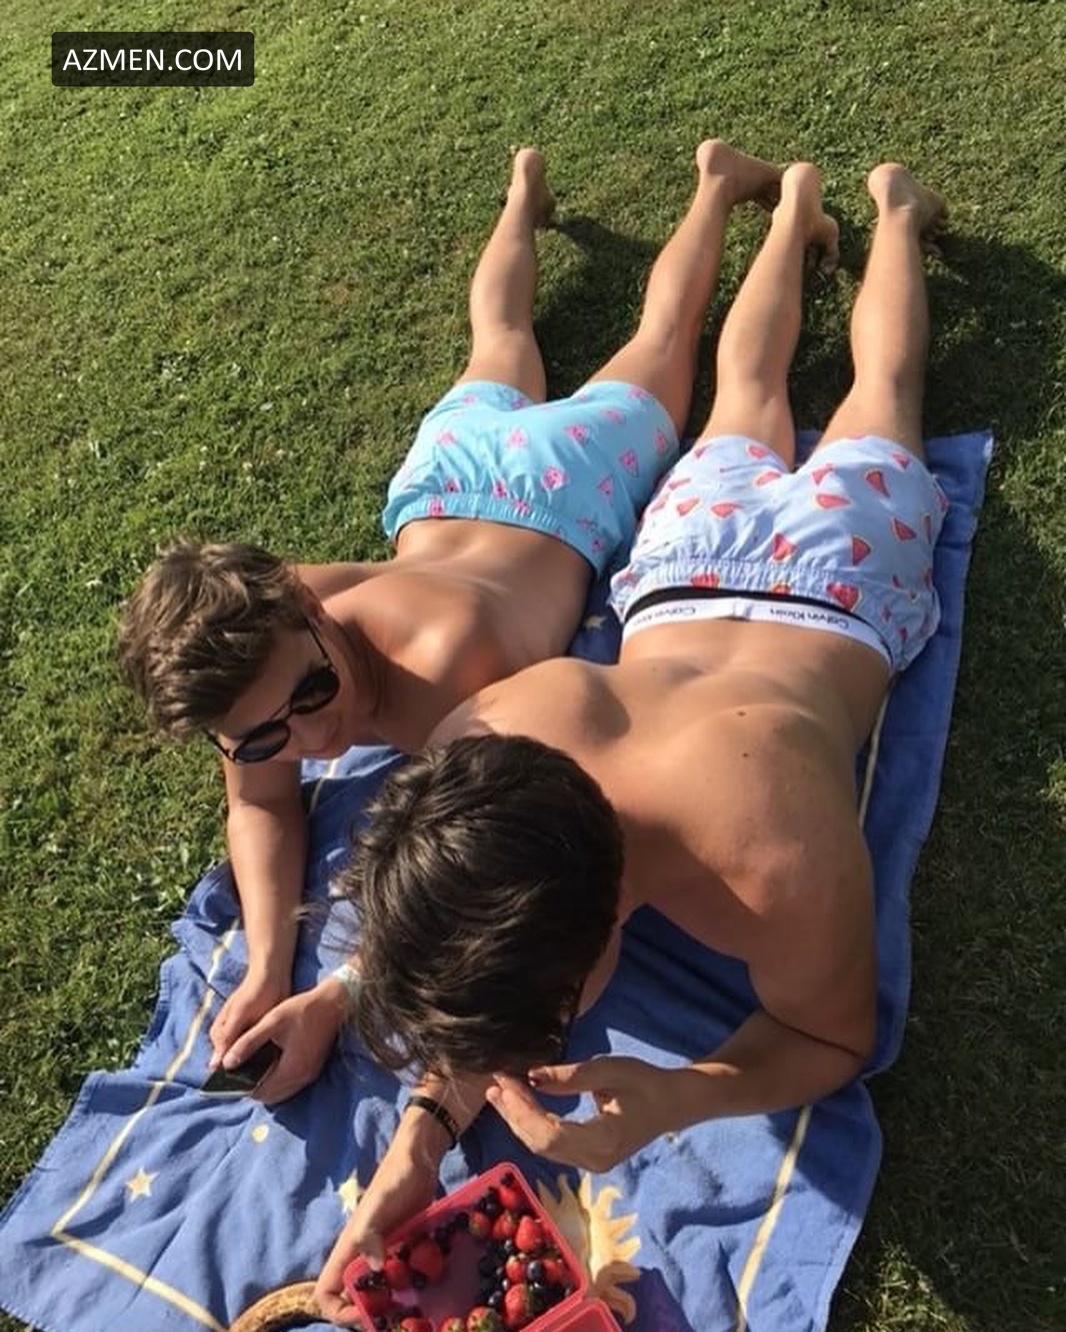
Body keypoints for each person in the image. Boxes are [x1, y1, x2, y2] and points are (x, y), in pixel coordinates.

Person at [313, 159, 949, 1324]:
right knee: (751, 389)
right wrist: (419, 1141)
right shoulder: (488, 739)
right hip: (685, 571)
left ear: (604, 931)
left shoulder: (766, 853)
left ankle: (884, 213)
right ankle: (803, 208)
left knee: (870, 392)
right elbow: (478, 940)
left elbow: (830, 1033)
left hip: (834, 583)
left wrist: (682, 1096)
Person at [118, 141, 783, 1095]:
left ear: (308, 606)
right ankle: (522, 196)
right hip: (445, 479)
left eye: (312, 694)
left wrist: (343, 993)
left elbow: (504, 871)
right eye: (264, 734)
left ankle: (718, 182)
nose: (311, 741)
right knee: (498, 340)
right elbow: (258, 800)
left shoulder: (450, 683)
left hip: (567, 483)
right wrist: (266, 966)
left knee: (666, 339)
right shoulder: (264, 644)